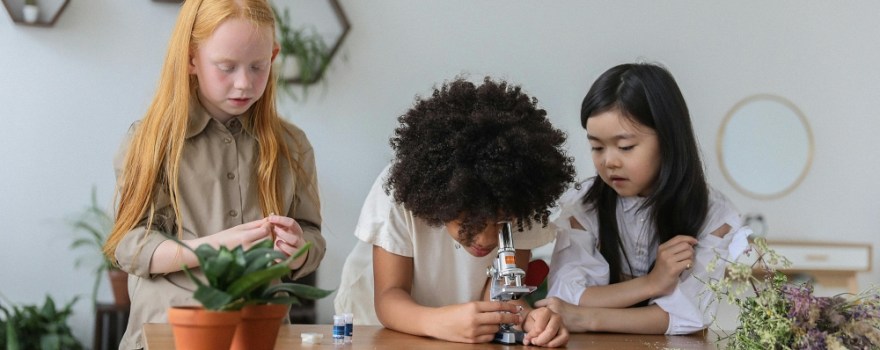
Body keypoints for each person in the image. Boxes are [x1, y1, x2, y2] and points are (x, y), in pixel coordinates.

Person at [102, 1, 325, 348]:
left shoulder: (292, 146)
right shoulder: (150, 142)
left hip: (262, 336)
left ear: (274, 56)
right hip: (171, 337)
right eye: (226, 67)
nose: (244, 83)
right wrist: (216, 247)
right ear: (191, 59)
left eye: (258, 67)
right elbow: (130, 246)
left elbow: (312, 235)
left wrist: (298, 245)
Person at [334, 77, 574, 347]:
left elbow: (498, 295)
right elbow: (390, 296)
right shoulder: (398, 194)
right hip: (379, 323)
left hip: (462, 330)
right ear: (438, 201)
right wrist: (438, 322)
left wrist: (529, 319)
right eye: (468, 222)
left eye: (500, 223)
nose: (486, 240)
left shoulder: (518, 197)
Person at [536, 63, 750, 334]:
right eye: (596, 147)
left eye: (625, 147)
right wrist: (652, 283)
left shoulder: (714, 216)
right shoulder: (583, 205)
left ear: (668, 140)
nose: (609, 161)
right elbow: (568, 295)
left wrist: (584, 318)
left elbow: (688, 316)